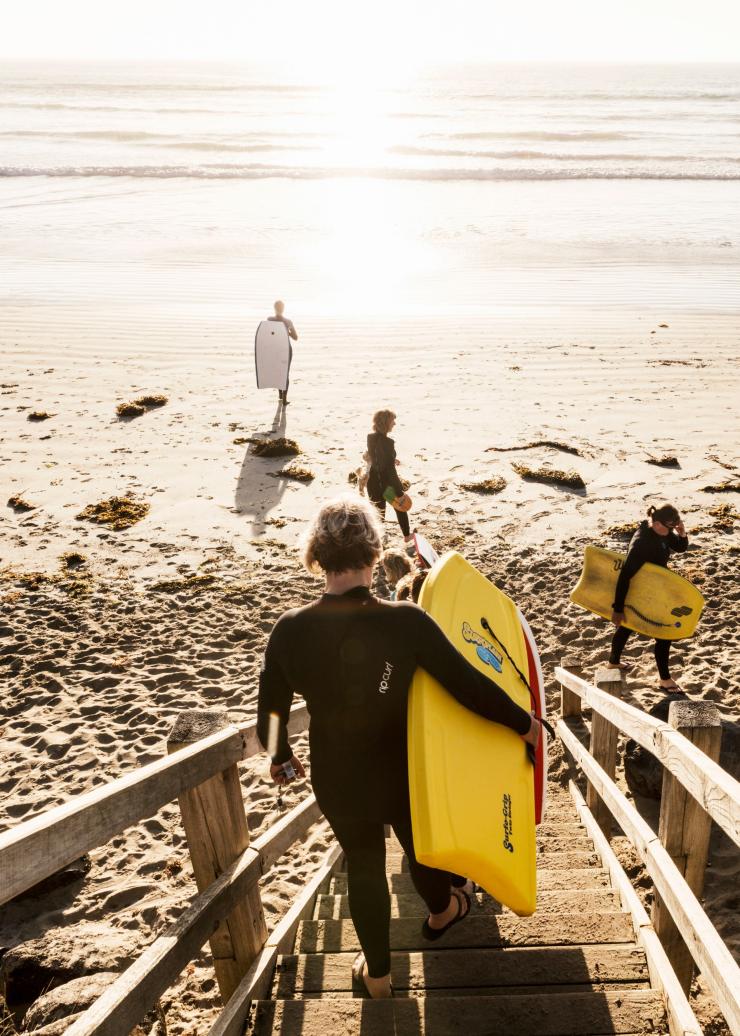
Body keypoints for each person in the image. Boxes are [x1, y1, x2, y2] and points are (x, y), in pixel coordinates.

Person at [257, 495, 542, 999]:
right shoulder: (405, 621)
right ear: (373, 553)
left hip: (337, 776)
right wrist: (524, 724)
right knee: (421, 846)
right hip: (404, 769)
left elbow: (272, 715)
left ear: (317, 557)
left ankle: (379, 978)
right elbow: (466, 683)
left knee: (363, 865)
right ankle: (443, 911)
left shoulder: (289, 630)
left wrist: (281, 758)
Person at [608, 503, 689, 693]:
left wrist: (682, 533)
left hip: (655, 589)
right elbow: (624, 576)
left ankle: (613, 663)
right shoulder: (641, 544)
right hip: (642, 592)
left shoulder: (662, 531)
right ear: (658, 523)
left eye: (673, 528)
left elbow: (680, 548)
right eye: (669, 528)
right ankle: (665, 679)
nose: (671, 532)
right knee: (663, 635)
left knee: (628, 626)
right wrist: (618, 609)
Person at [366, 409, 415, 556]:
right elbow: (390, 471)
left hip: (373, 482)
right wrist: (399, 491)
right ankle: (407, 536)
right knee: (401, 506)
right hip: (386, 484)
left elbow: (375, 457)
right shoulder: (388, 443)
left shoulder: (370, 438)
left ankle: (377, 542)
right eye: (392, 420)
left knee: (379, 512)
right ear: (386, 423)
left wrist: (391, 459)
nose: (395, 423)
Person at [268, 300, 298, 405]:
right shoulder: (288, 322)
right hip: (286, 349)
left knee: (278, 371)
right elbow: (296, 337)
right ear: (283, 309)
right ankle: (284, 399)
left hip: (274, 350)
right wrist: (288, 332)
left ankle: (280, 394)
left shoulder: (269, 320)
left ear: (274, 308)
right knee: (285, 374)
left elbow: (267, 335)